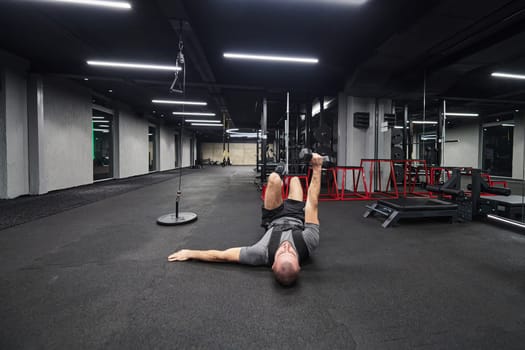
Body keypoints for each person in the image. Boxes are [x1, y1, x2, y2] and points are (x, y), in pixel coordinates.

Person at [167, 153, 323, 286]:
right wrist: (317, 169)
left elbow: (222, 256)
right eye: (291, 252)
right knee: (295, 180)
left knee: (274, 179)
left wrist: (190, 253)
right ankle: (288, 176)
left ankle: (279, 173)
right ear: (299, 265)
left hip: (274, 217)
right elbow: (312, 203)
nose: (286, 246)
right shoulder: (308, 242)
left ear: (273, 265)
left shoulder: (261, 254)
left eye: (282, 252)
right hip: (296, 215)